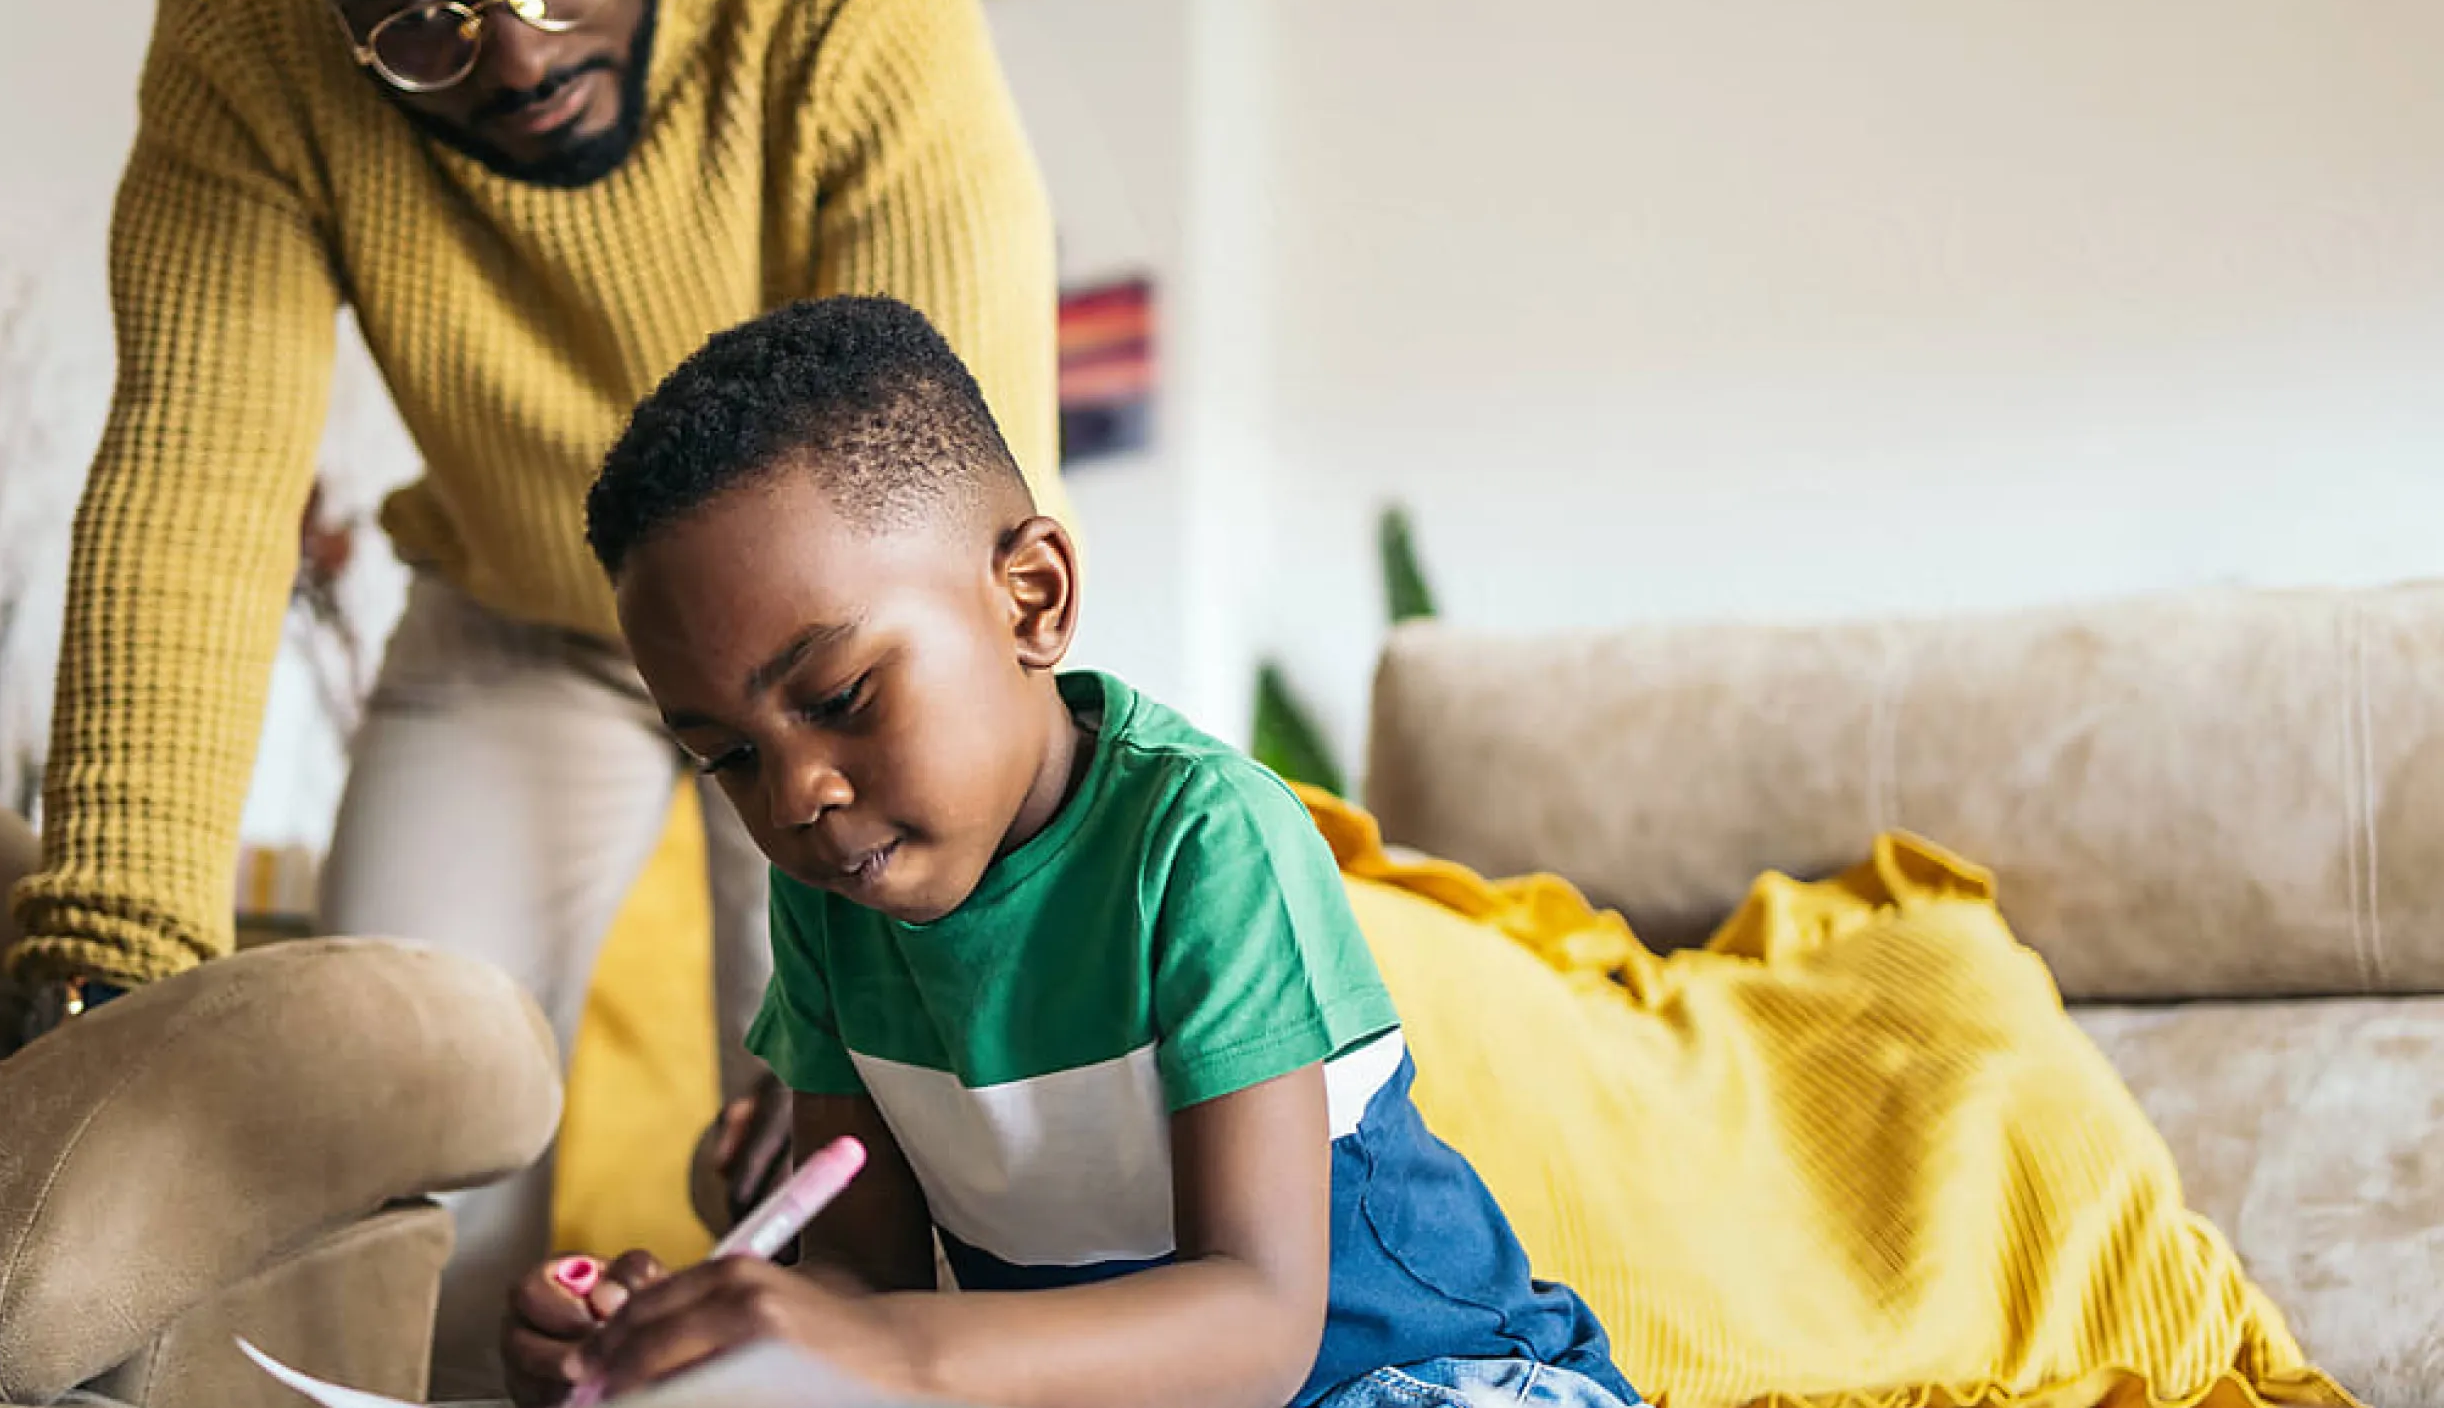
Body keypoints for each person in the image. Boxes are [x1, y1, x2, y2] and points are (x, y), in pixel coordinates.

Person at [0, 0, 1056, 1389]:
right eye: (415, 21)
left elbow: (943, 511)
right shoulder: (245, 35)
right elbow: (193, 480)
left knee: (860, 1145)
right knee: (403, 1139)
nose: (522, 53)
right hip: (511, 617)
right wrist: (108, 962)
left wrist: (855, 992)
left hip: (820, 646)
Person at [508, 297, 1636, 1408]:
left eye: (843, 696)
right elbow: (863, 1281)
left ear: (1031, 598)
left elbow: (1257, 1325)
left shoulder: (1202, 840)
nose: (798, 794)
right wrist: (682, 1348)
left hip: (1425, 1378)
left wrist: (883, 1347)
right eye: (731, 759)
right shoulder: (831, 897)